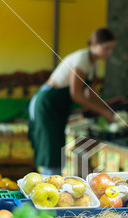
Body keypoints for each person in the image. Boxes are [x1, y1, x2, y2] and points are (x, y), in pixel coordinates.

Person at [28, 28, 116, 175]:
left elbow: (91, 95)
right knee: (51, 148)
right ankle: (47, 184)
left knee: (57, 147)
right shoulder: (82, 59)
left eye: (112, 49)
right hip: (47, 103)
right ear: (94, 44)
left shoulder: (94, 65)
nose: (110, 53)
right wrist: (103, 112)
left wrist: (109, 111)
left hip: (59, 107)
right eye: (106, 48)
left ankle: (51, 181)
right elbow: (76, 94)